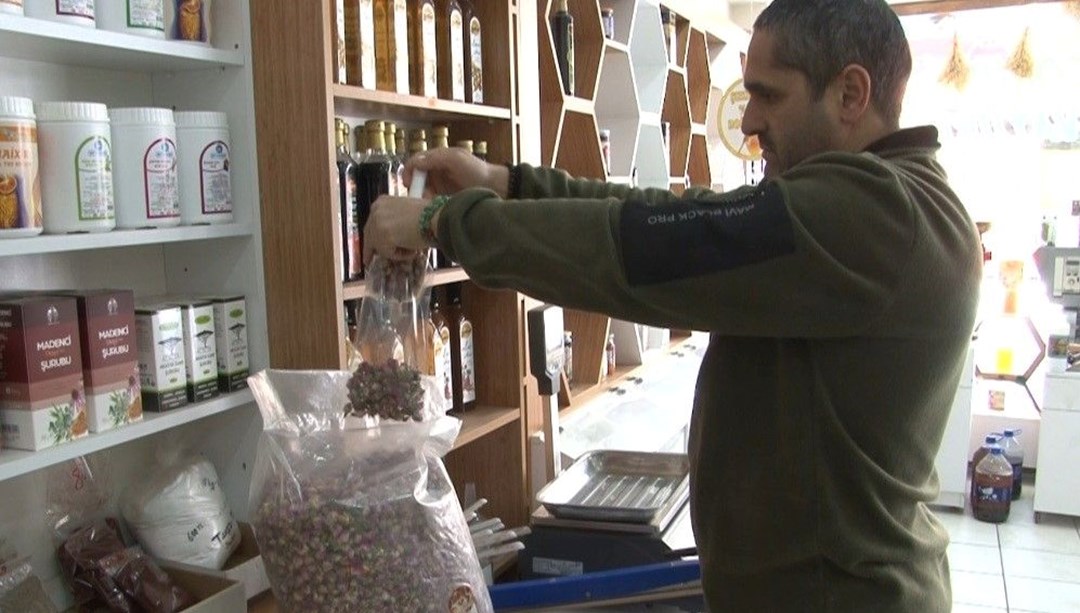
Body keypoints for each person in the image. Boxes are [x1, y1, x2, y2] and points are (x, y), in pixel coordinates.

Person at [363, 0, 982, 610]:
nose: (749, 122)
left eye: (769, 96)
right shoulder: (885, 202)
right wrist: (506, 184)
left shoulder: (880, 214)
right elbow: (673, 219)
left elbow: (652, 249)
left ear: (850, 94)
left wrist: (444, 221)